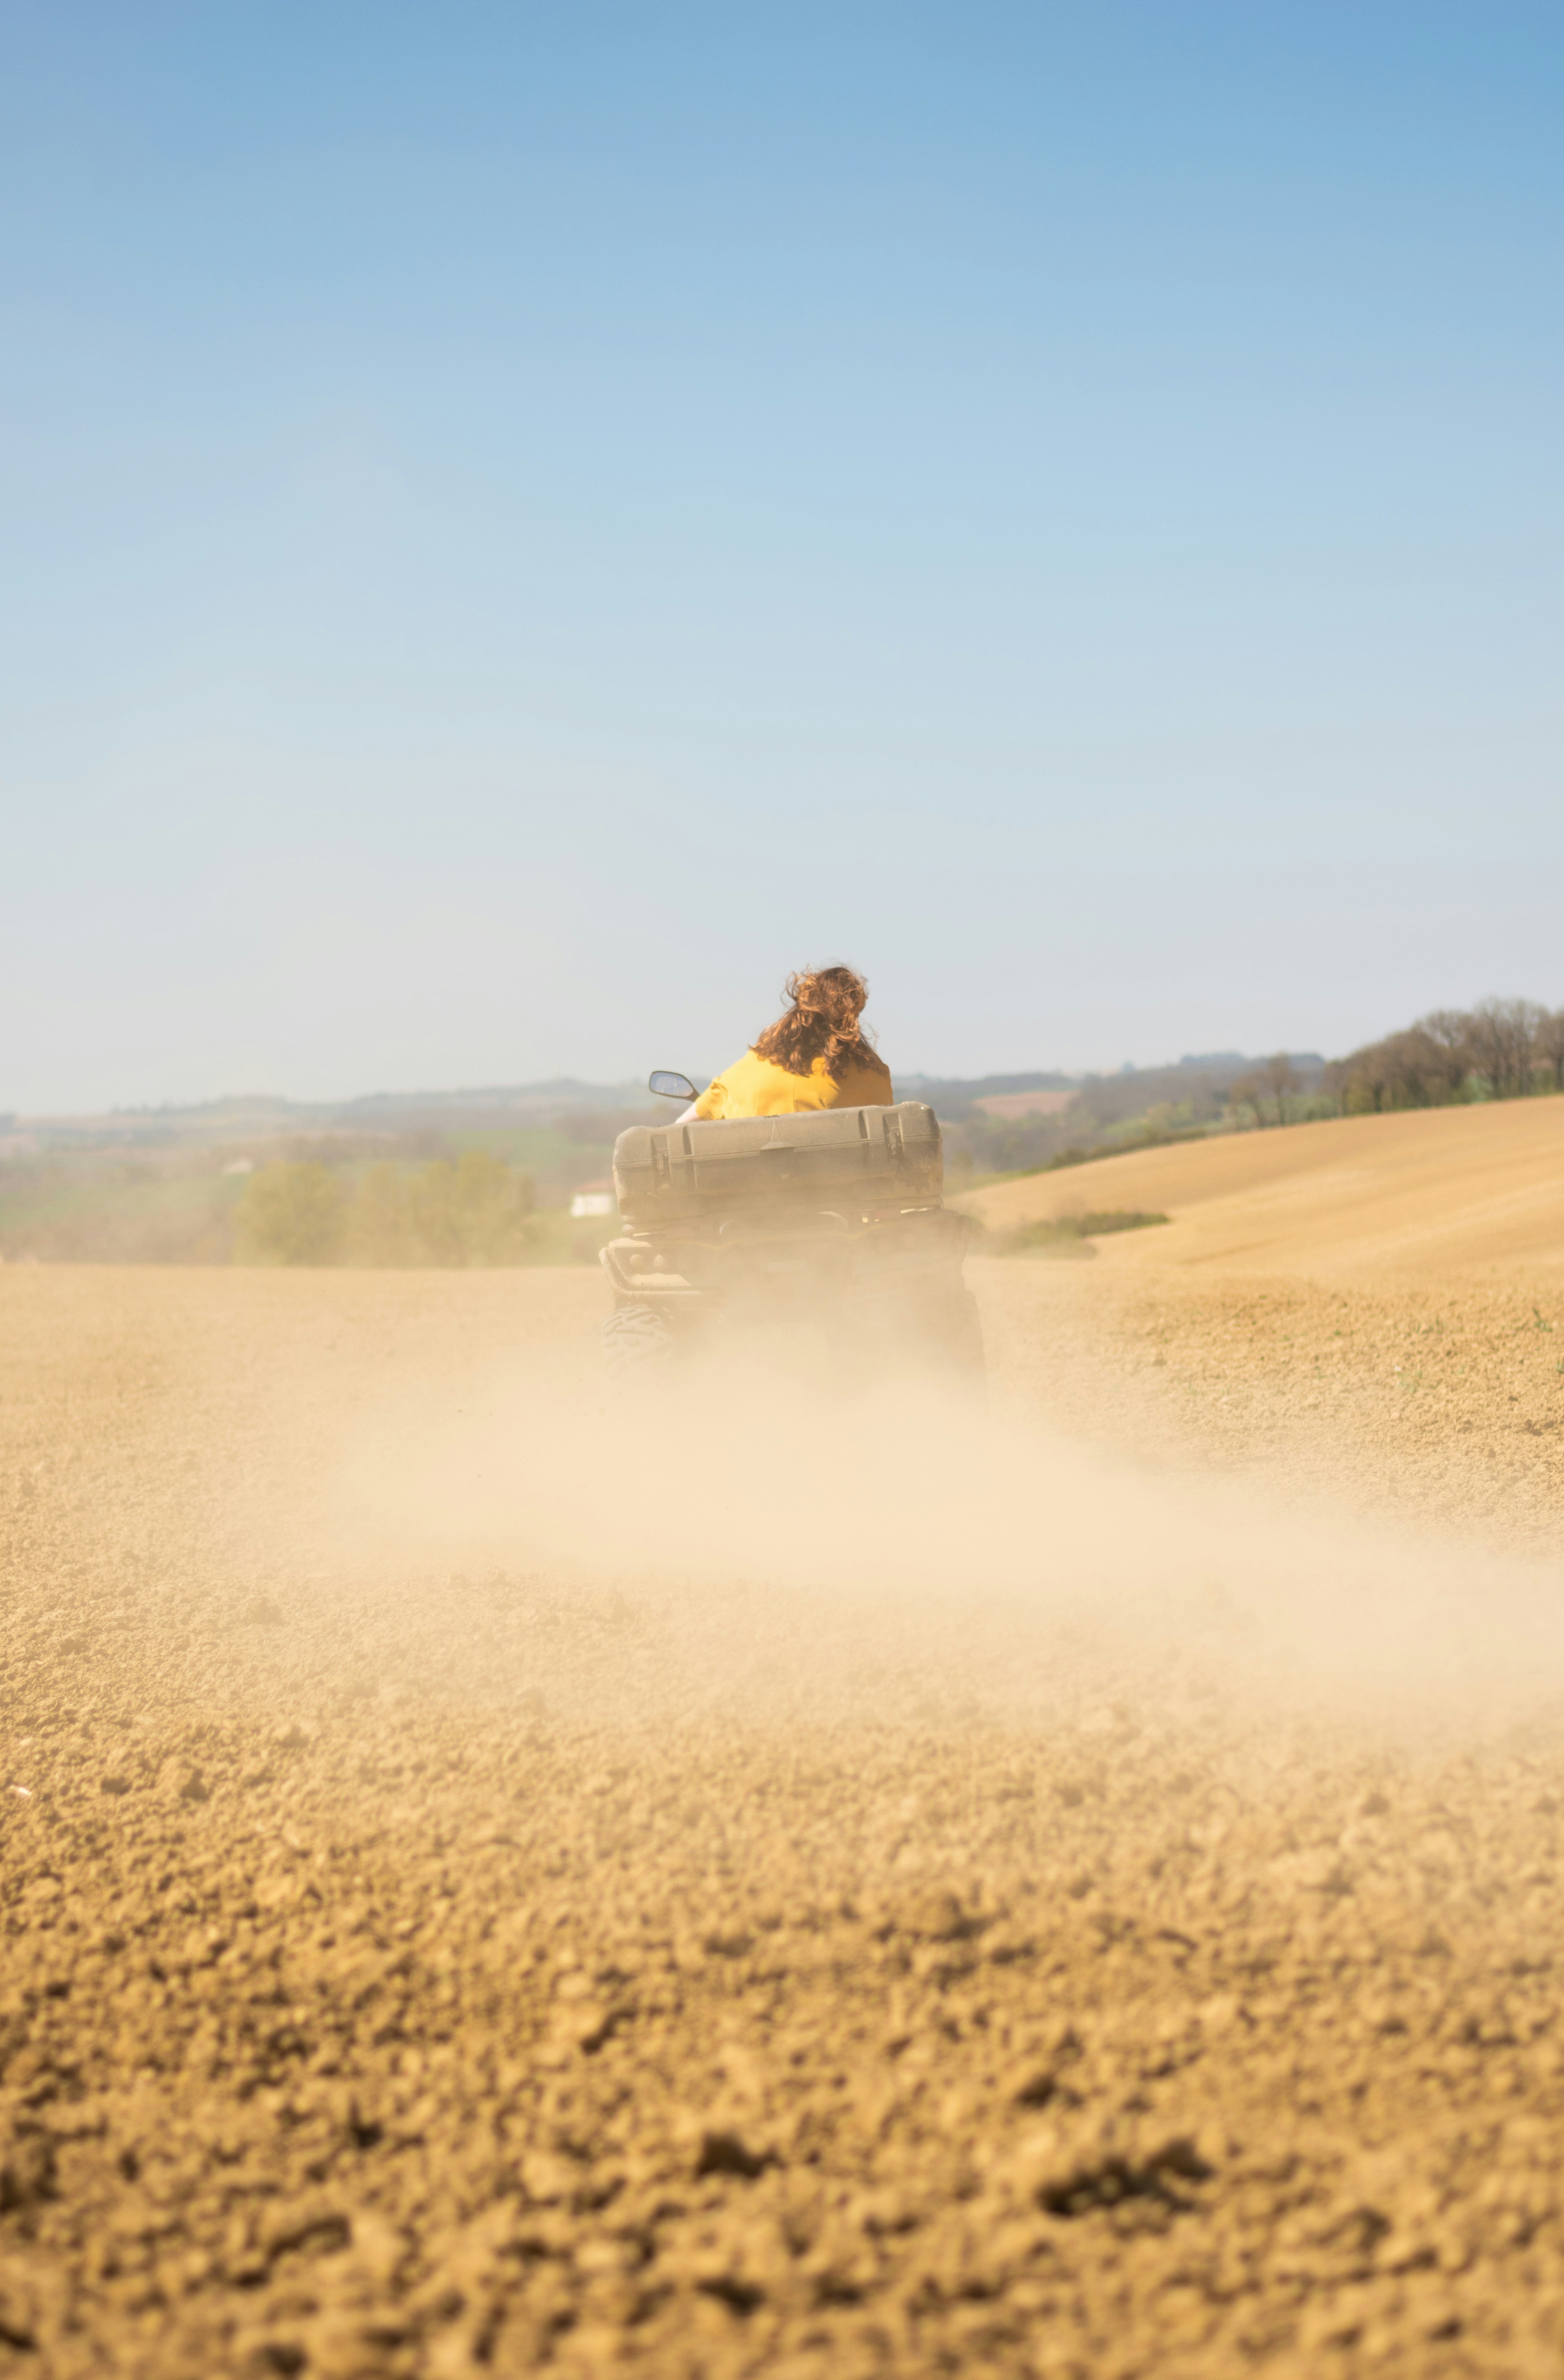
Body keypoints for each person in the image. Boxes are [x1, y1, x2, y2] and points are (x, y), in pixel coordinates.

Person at [685, 965, 893, 1120]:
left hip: (758, 1178)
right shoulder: (872, 1074)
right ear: (854, 1015)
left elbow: (681, 1127)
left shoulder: (749, 1068)